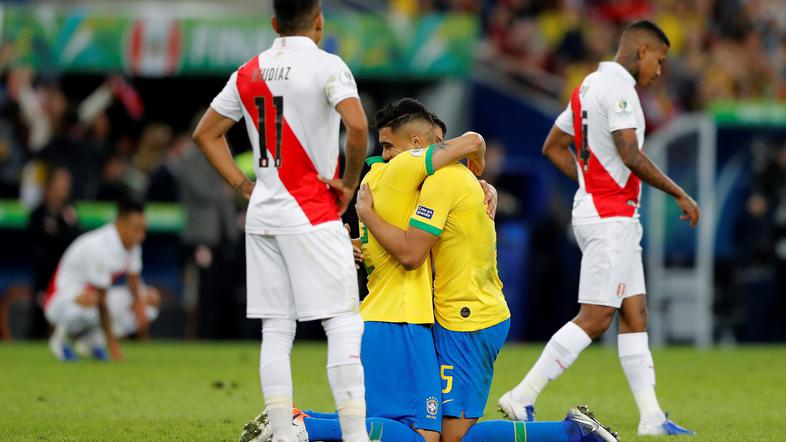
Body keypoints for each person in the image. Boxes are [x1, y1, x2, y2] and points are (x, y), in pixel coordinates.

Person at [354, 103, 618, 442]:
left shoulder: (441, 183)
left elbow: (410, 252)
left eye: (390, 147)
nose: (385, 156)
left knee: (451, 437)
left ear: (426, 144)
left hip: (467, 319)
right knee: (422, 423)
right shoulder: (444, 182)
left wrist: (368, 215)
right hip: (458, 315)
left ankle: (569, 433)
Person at [497, 21, 700, 437]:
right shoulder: (621, 88)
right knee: (596, 317)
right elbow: (628, 152)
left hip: (607, 211)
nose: (659, 71)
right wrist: (679, 192)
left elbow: (553, 145)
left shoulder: (586, 86)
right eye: (659, 60)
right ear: (641, 51)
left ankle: (651, 418)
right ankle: (522, 395)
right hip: (610, 218)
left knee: (634, 313)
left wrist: (589, 182)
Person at [192, 1, 370, 441]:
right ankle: (355, 436)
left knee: (276, 328)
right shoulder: (329, 65)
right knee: (342, 321)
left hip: (264, 215)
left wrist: (243, 186)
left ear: (274, 23)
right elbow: (358, 126)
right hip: (312, 210)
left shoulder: (247, 71)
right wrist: (347, 184)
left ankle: (282, 434)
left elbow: (205, 134)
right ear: (319, 21)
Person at [44, 198, 153, 361]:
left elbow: (134, 282)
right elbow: (102, 302)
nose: (141, 236)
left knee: (150, 300)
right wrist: (113, 343)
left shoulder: (134, 245)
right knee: (94, 299)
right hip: (60, 301)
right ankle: (60, 339)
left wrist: (141, 308)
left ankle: (92, 341)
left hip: (92, 297)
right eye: (136, 229)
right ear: (121, 224)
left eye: (143, 229)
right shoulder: (99, 246)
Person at [27, 166, 80, 338]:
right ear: (48, 186)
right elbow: (36, 246)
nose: (65, 188)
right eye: (60, 183)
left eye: (67, 184)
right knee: (40, 320)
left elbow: (75, 242)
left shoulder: (71, 214)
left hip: (67, 277)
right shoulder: (38, 214)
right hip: (45, 276)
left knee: (69, 321)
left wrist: (59, 229)